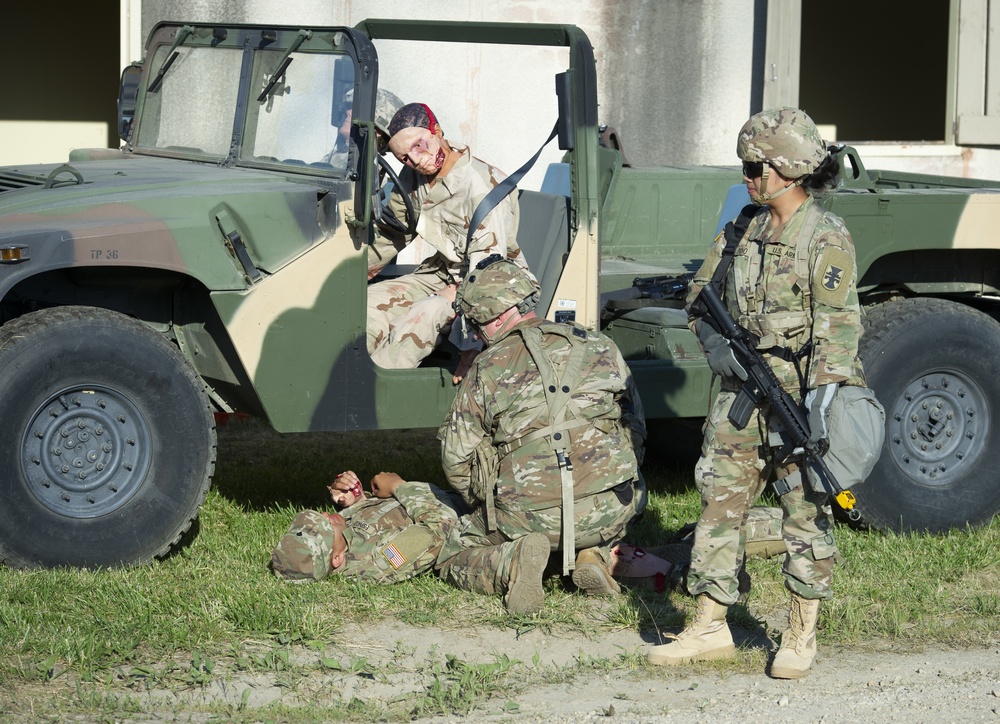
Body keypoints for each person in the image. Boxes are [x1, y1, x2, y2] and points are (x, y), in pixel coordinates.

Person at [646, 108, 865, 679]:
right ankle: (710, 623)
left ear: (788, 170)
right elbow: (701, 292)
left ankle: (799, 630)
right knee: (720, 505)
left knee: (803, 512)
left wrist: (821, 403)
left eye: (755, 167)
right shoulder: (742, 226)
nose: (747, 177)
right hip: (740, 393)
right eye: (745, 165)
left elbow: (839, 327)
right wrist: (719, 347)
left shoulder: (824, 236)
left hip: (796, 396)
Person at [436, 255, 647, 614]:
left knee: (450, 552)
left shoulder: (486, 367)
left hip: (529, 519)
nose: (474, 333)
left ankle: (514, 560)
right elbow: (636, 428)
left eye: (475, 323)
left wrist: (489, 499)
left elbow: (455, 459)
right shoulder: (598, 345)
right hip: (613, 508)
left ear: (498, 315)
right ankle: (593, 550)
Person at [366, 102, 536, 382]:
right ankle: (345, 377)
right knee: (366, 304)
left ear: (437, 131)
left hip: (492, 286)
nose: (416, 160)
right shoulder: (415, 175)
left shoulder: (482, 186)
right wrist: (351, 272)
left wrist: (471, 347)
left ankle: (373, 393)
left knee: (425, 315)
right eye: (405, 158)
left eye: (419, 146)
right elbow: (393, 232)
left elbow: (486, 276)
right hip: (439, 273)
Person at [270, 471, 464, 584]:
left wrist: (357, 500)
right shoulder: (379, 561)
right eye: (326, 525)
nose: (325, 515)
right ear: (336, 558)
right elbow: (438, 528)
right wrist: (398, 486)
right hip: (473, 510)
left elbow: (377, 523)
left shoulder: (341, 542)